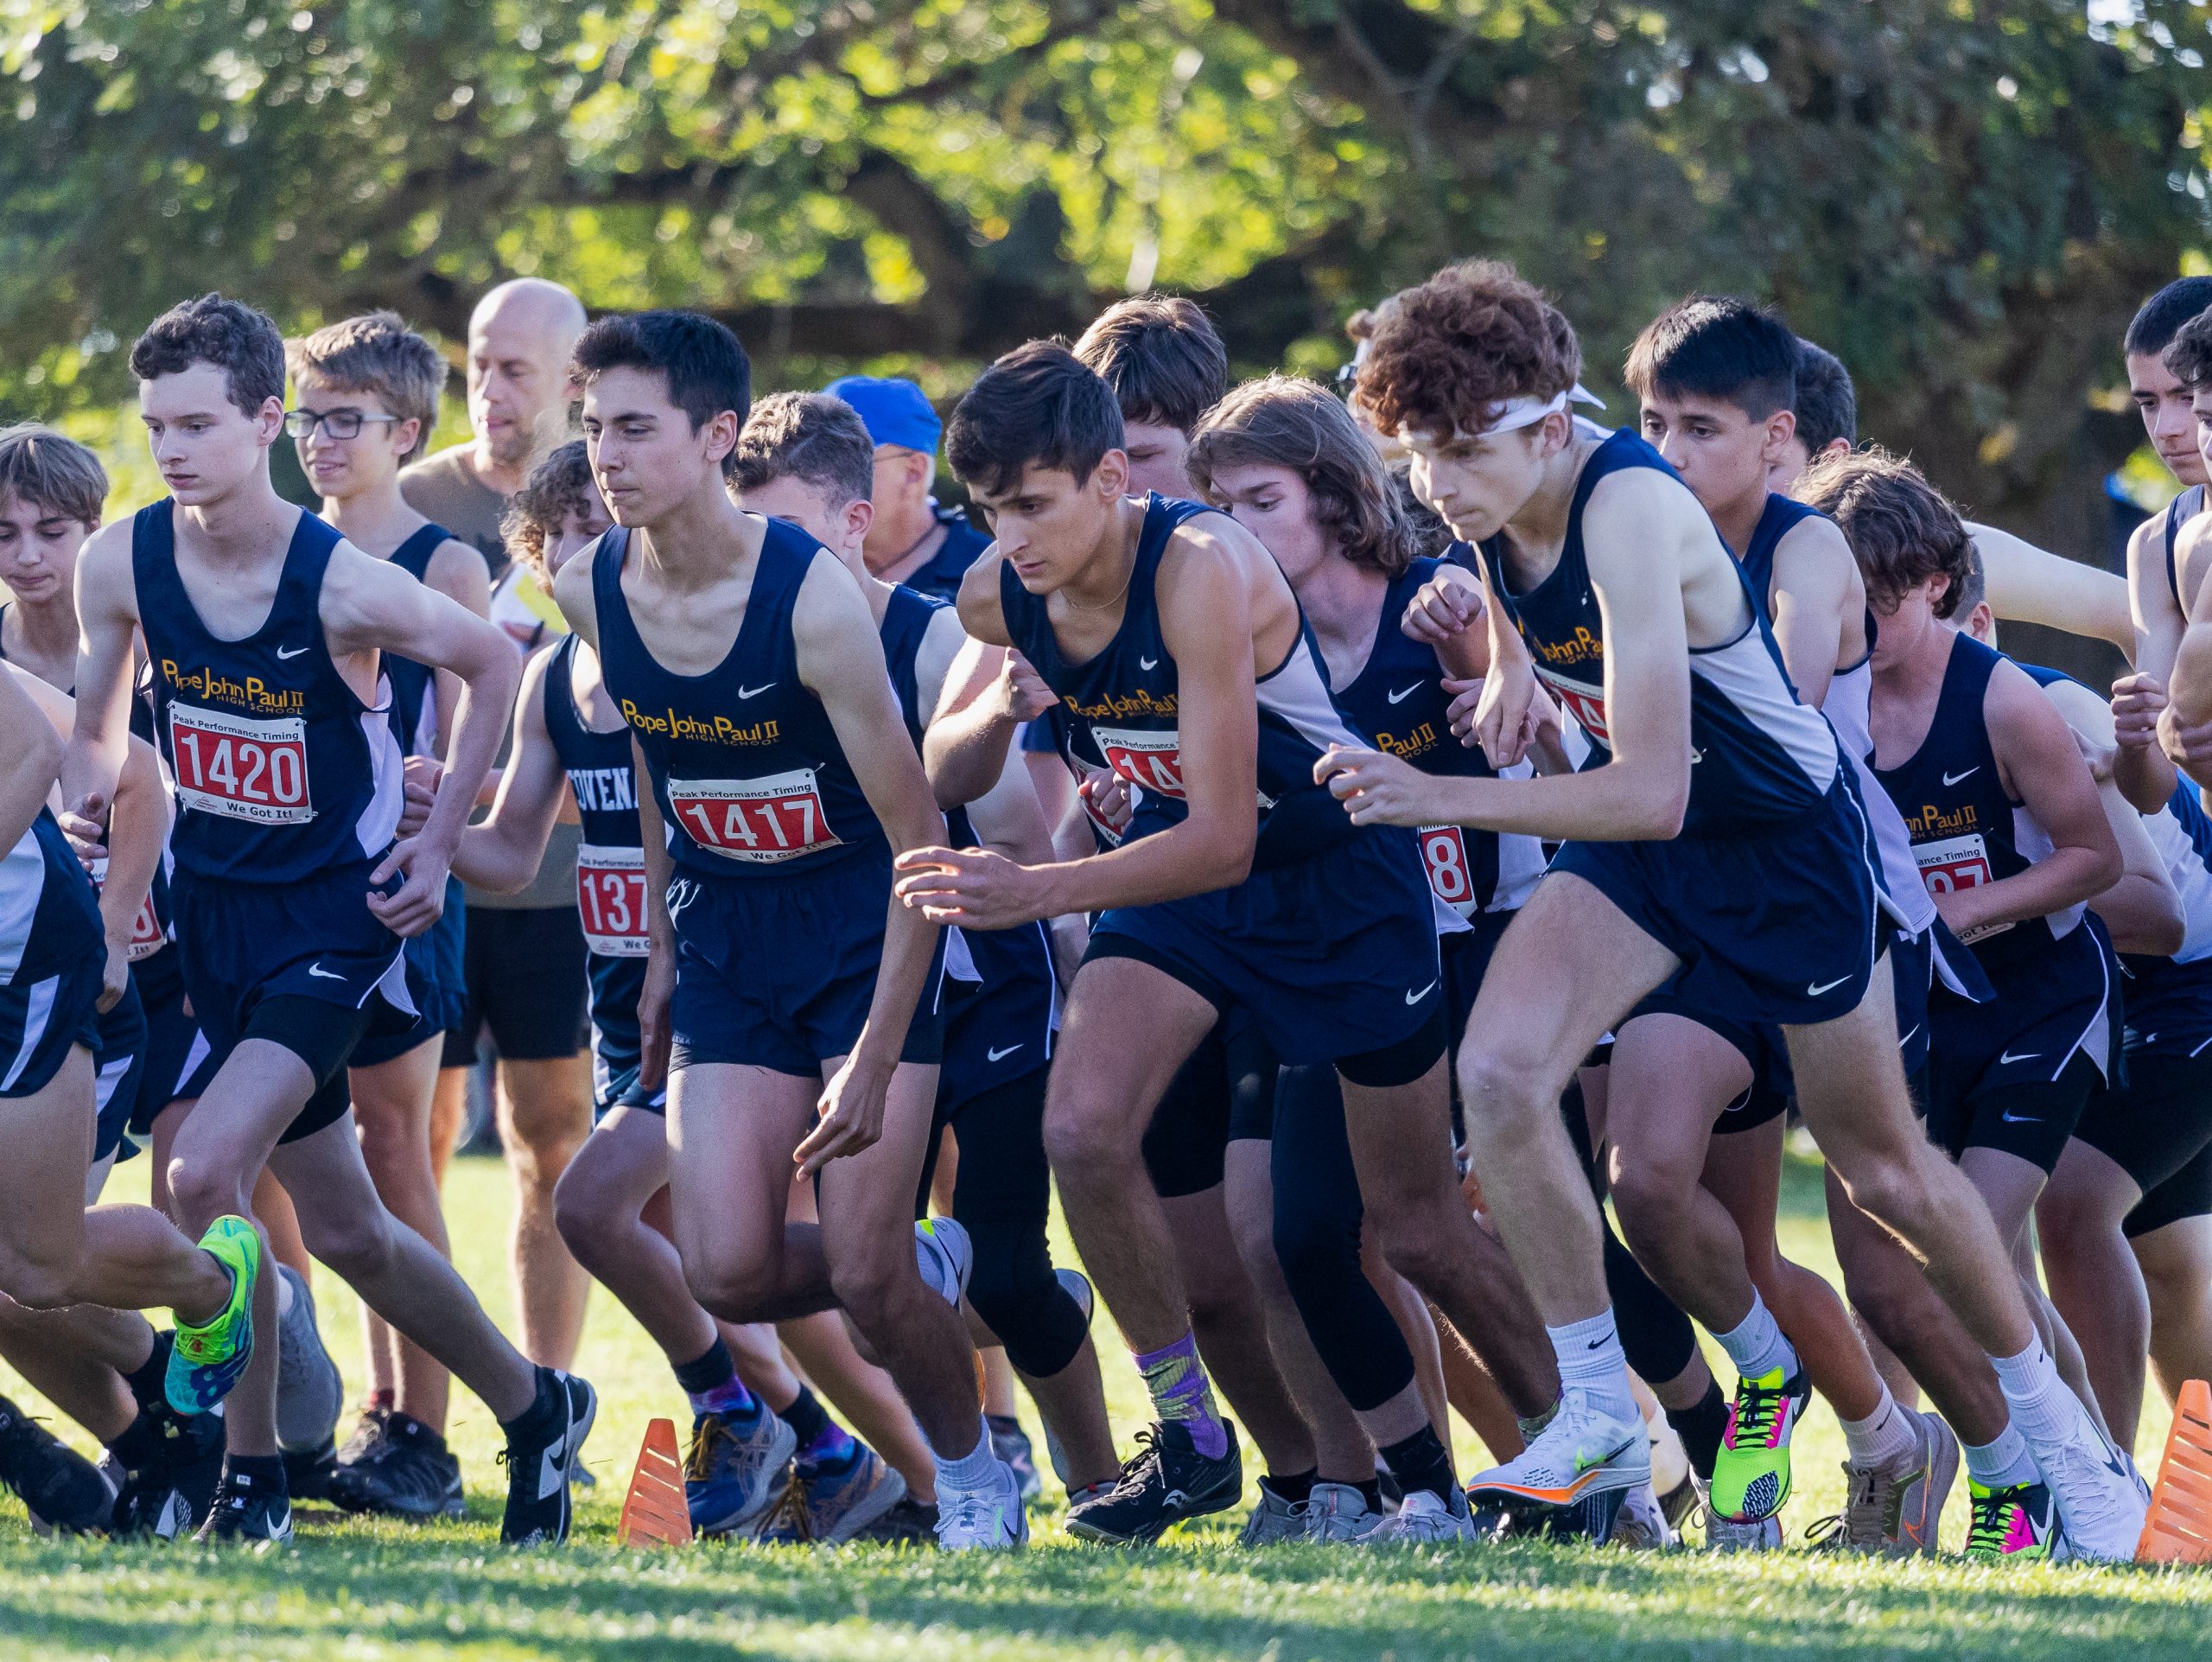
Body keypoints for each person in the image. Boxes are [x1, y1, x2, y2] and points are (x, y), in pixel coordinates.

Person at [1320, 259, 2145, 1560]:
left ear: (1547, 425)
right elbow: (1565, 671)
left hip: (1777, 848)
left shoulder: (1633, 507)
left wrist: (1435, 789)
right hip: (1663, 852)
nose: (1437, 482)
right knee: (1504, 1065)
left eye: (1458, 450)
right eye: (1417, 453)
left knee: (1886, 1178)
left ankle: (2065, 1446)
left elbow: (1650, 787)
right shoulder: (1493, 493)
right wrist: (1511, 680)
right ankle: (1598, 1404)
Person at [907, 342, 1531, 1548]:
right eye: (988, 509)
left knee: (1407, 1224)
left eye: (1032, 503)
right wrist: (993, 706)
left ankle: (1568, 1460)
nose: (1010, 534)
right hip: (1183, 883)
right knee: (1083, 1130)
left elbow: (1230, 834)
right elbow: (946, 769)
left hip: (1335, 886)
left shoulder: (1197, 565)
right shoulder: (1000, 588)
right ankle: (1190, 1436)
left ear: (1108, 479)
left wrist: (1037, 886)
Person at [66, 292, 593, 1545]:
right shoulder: (123, 561)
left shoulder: (337, 579)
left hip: (333, 923)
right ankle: (535, 1410)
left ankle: (245, 1464)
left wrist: (434, 834)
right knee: (348, 1225)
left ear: (266, 422)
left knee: (201, 1169)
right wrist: (97, 820)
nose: (174, 449)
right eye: (156, 427)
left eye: (199, 423)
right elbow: (98, 733)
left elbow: (497, 663)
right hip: (203, 919)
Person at [550, 309, 1026, 1551]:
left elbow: (921, 834)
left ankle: (973, 1474)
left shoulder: (812, 597)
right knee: (728, 1269)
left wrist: (874, 1051)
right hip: (722, 943)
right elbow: (661, 761)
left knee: (865, 1268)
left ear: (716, 436)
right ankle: (954, 1267)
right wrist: (659, 945)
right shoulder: (585, 581)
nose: (606, 453)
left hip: (860, 931)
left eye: (635, 428)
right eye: (593, 426)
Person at [438, 436, 919, 1544]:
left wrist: (673, 957)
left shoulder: (698, 670)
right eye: (558, 541)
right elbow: (511, 852)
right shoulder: (556, 685)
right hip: (633, 1024)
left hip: (735, 998)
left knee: (606, 1210)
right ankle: (847, 1452)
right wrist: (430, 826)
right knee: (727, 1269)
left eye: (600, 537)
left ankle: (792, 1419)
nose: (583, 559)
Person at [1185, 374, 1586, 1543]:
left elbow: (1562, 772)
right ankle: (1420, 1485)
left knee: (1444, 1230)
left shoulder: (1439, 601)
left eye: (1261, 499)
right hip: (1335, 959)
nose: (1235, 531)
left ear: (1338, 495)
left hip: (1485, 946)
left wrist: (1505, 702)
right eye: (1218, 505)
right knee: (1303, 1232)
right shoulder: (1235, 638)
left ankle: (1597, 1461)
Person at [1617, 297, 1958, 1551]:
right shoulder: (1631, 543)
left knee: (1879, 1230)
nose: (1667, 451)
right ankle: (1848, 1439)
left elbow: (1791, 700)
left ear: (1783, 440)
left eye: (1698, 427)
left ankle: (2043, 1466)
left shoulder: (1815, 549)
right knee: (1664, 1202)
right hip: (1685, 910)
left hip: (1820, 913)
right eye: (1653, 424)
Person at [738, 389, 1120, 1508]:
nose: (773, 568)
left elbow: (1007, 832)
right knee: (865, 1268)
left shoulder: (934, 633)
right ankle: (960, 1467)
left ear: (857, 519)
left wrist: (1073, 950)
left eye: (793, 536)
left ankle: (1101, 1484)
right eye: (751, 540)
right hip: (849, 991)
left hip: (981, 977)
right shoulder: (747, 660)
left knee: (1000, 1267)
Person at [1067, 295, 1377, 1543]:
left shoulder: (1232, 570)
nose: (1116, 486)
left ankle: (1402, 1478)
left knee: (1304, 1237)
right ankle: (1288, 1473)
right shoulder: (1073, 575)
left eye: (1138, 457)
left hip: (1295, 923)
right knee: (1202, 1253)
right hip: (1170, 924)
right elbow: (979, 745)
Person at [0, 423, 340, 1536]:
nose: (29, 555)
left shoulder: (134, 641)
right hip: (68, 972)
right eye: (6, 535)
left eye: (53, 531)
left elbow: (129, 777)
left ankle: (236, 1359)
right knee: (26, 1273)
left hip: (142, 974)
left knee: (39, 1260)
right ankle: (152, 1445)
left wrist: (103, 923)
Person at [283, 311, 490, 1519]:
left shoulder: (440, 560)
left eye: (344, 419)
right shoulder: (279, 548)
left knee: (392, 1146)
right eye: (307, 417)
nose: (319, 440)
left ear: (406, 430)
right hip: (280, 891)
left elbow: (475, 737)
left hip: (400, 887)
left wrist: (438, 809)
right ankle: (322, 1410)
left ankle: (425, 1422)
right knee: (282, 1156)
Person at [401, 280, 596, 1395]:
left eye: (516, 368)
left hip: (556, 887)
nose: (490, 387)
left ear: (572, 381)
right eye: (479, 362)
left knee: (552, 1142)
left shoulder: (611, 496)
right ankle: (412, 1408)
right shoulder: (412, 499)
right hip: (423, 873)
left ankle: (545, 1392)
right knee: (409, 1139)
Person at [820, 375, 990, 601]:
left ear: (913, 472)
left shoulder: (991, 575)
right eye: (810, 460)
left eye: (845, 460)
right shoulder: (799, 562)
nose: (818, 477)